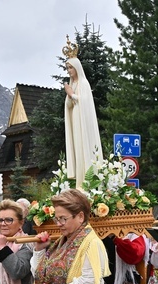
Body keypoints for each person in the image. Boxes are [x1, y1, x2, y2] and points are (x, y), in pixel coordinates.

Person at [64, 49, 103, 189]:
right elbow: (69, 105)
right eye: (67, 68)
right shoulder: (73, 84)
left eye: (70, 68)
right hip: (75, 120)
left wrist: (71, 94)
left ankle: (87, 183)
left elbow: (84, 102)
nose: (69, 71)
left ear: (77, 68)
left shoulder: (84, 83)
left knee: (83, 148)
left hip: (83, 122)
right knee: (78, 149)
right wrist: (70, 95)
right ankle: (79, 183)